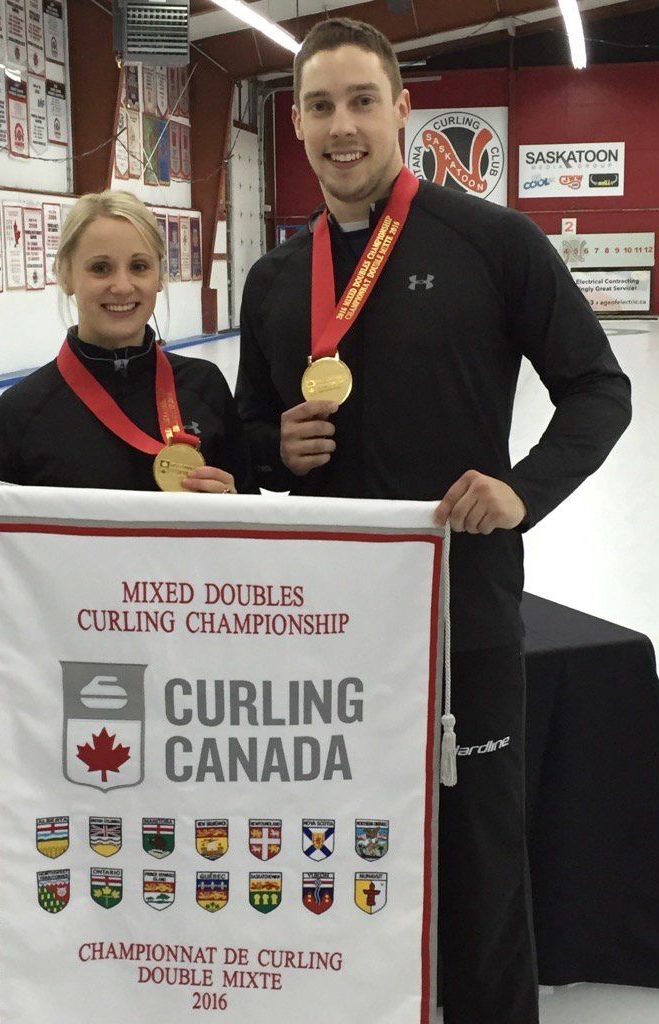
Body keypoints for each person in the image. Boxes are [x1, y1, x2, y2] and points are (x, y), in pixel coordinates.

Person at [235, 18, 631, 1024]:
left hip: (465, 611)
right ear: (296, 121)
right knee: (334, 838)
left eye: (362, 99)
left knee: (480, 855)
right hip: (323, 620)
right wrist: (272, 449)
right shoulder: (278, 279)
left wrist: (524, 489)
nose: (341, 126)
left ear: (402, 108)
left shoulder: (492, 242)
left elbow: (598, 388)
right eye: (319, 105)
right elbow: (243, 438)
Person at [0, 189, 250, 576]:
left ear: (160, 276)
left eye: (140, 266)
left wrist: (235, 506)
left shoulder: (204, 387)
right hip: (77, 634)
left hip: (189, 627)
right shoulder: (19, 415)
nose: (123, 286)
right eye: (100, 268)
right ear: (65, 275)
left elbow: (252, 542)